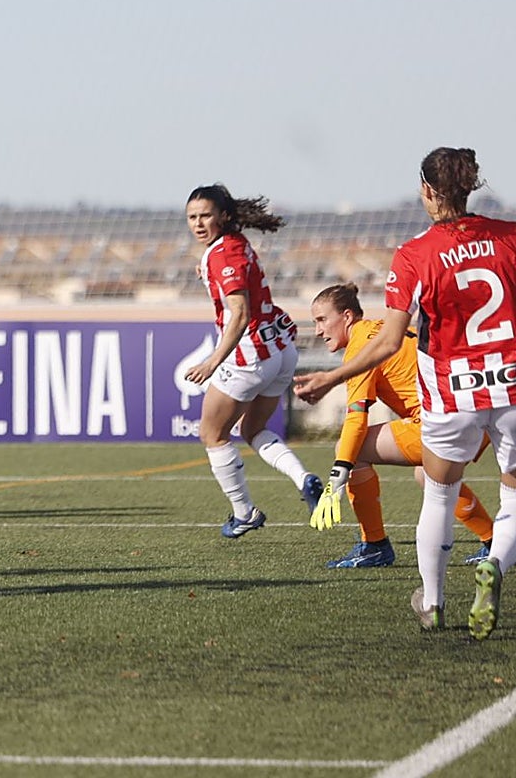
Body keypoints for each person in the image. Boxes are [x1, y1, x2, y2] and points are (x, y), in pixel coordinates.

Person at [295, 147, 516, 640]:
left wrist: (329, 378)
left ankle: (433, 602)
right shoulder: (510, 238)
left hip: (451, 394)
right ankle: (495, 564)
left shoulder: (415, 253)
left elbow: (390, 341)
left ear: (427, 192)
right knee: (515, 497)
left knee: (436, 493)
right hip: (511, 385)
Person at [307, 282, 493, 568]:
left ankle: (374, 545)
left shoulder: (361, 344)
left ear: (346, 316)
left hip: (439, 422)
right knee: (427, 474)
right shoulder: (382, 328)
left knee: (351, 451)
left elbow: (357, 417)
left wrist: (338, 472)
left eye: (322, 320)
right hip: (472, 414)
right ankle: (493, 541)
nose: (318, 331)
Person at [184, 184, 323, 538]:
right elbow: (234, 274)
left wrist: (214, 360)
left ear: (223, 216)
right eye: (192, 217)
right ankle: (304, 478)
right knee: (252, 430)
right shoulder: (234, 243)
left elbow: (240, 313)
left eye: (205, 216)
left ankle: (244, 513)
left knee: (212, 434)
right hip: (281, 349)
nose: (199, 224)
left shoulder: (222, 255)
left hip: (249, 355)